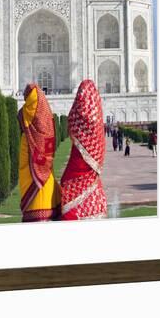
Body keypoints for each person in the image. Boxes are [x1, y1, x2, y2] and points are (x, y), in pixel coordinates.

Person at [60, 79, 107, 221]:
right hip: (95, 195)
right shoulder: (97, 121)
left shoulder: (77, 118)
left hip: (76, 177)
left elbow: (72, 119)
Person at [18, 83, 61, 222]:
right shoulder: (48, 120)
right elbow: (48, 149)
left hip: (33, 169)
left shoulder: (25, 112)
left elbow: (21, 117)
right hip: (47, 171)